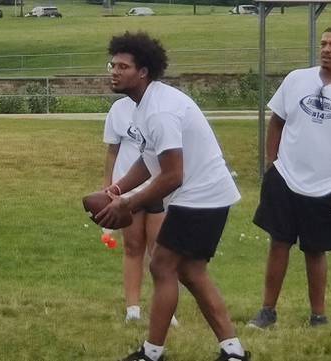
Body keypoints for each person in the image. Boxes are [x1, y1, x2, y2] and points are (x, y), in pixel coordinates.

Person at [95, 31, 249, 361]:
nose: (114, 71)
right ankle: (233, 350)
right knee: (191, 272)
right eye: (113, 64)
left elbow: (171, 175)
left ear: (143, 72)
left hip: (202, 195)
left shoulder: (159, 111)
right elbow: (149, 161)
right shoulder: (144, 105)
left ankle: (152, 353)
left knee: (162, 266)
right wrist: (118, 187)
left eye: (123, 66)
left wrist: (130, 202)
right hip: (200, 194)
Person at [248, 26, 331, 329]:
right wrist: (273, 164)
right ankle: (267, 310)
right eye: (323, 44)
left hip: (326, 186)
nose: (326, 50)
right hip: (286, 177)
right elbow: (277, 122)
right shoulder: (296, 80)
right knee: (279, 243)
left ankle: (318, 315)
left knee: (315, 250)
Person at [102, 96, 170, 324]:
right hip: (126, 188)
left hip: (156, 185)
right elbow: (113, 150)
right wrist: (108, 185)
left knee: (159, 251)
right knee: (132, 246)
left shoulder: (160, 106)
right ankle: (133, 309)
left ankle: (166, 308)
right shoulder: (118, 108)